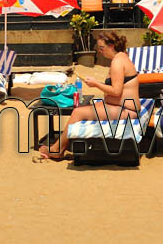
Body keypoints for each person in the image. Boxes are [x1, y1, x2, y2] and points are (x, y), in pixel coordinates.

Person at [36, 32, 139, 162]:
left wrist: (96, 84)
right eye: (99, 48)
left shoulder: (117, 62)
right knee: (82, 110)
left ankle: (57, 150)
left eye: (102, 48)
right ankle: (60, 146)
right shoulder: (122, 57)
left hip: (126, 111)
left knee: (78, 112)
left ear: (111, 46)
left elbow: (116, 91)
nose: (100, 51)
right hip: (121, 107)